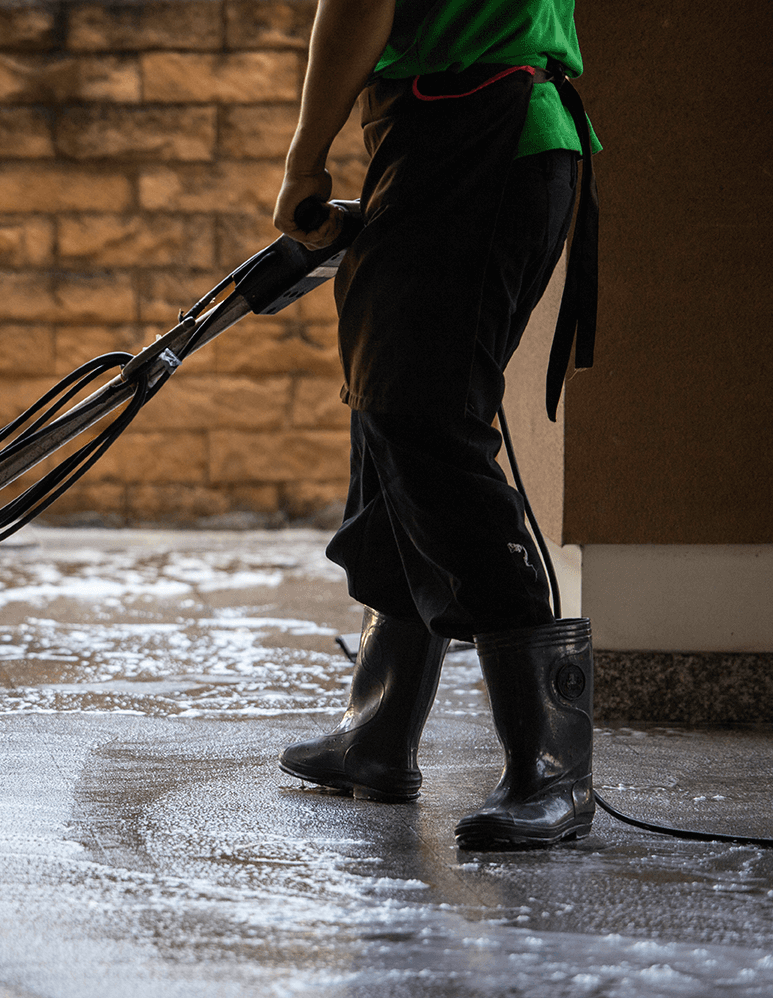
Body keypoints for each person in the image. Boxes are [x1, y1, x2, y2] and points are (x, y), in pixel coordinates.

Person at [271, 0, 600, 850]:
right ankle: (377, 731)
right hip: (458, 136)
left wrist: (304, 160)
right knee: (389, 413)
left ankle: (553, 765)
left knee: (422, 419)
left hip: (481, 135)